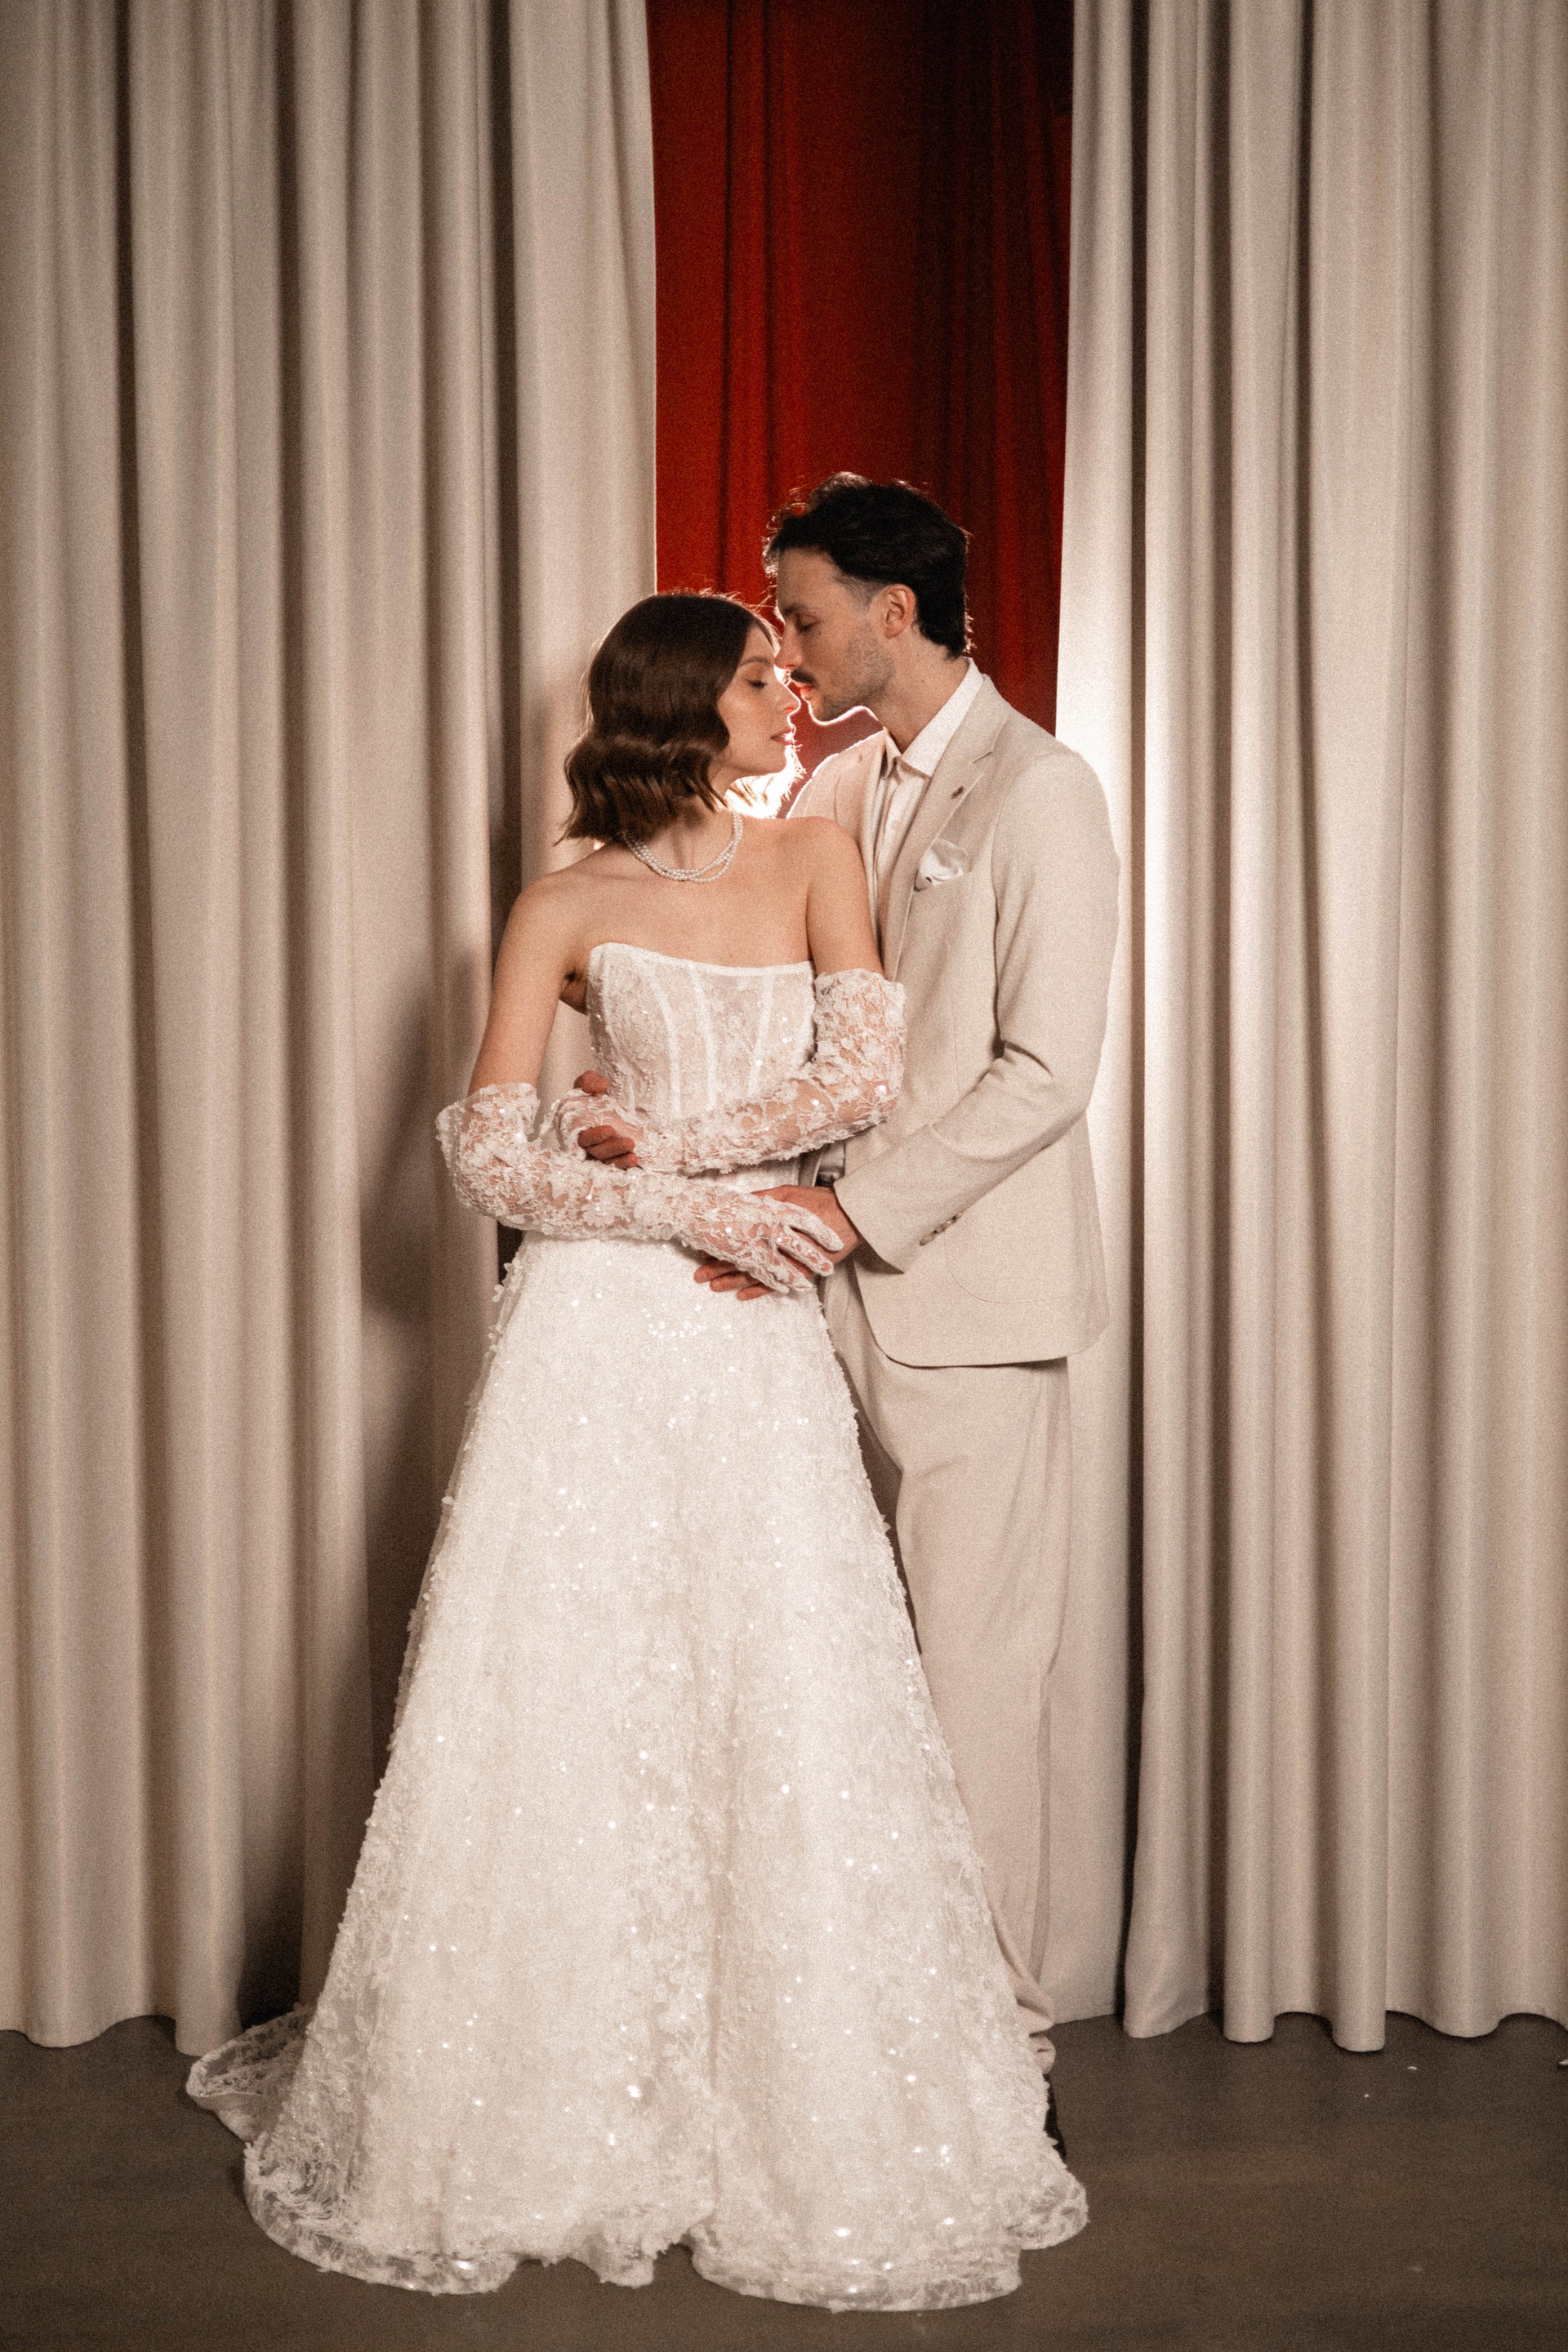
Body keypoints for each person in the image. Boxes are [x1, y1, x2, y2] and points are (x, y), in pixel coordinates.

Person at [186, 590, 1086, 2310]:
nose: (789, 689)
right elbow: (485, 1154)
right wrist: (696, 1206)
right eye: (757, 673)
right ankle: (544, 2102)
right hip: (600, 1332)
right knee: (573, 1686)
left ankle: (787, 2089)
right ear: (681, 702)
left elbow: (861, 1077)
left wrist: (679, 1156)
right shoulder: (563, 901)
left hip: (748, 1332)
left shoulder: (815, 856)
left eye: (786, 662)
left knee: (780, 1678)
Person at [582, 483, 1120, 2155]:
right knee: (815, 1676)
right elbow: (794, 1032)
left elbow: (1046, 1071)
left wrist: (849, 1211)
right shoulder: (822, 788)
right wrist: (659, 1125)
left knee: (973, 1684)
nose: (788, 655)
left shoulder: (1042, 790)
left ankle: (1002, 2057)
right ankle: (834, 2031)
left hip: (967, 1304)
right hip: (795, 1301)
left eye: (802, 618)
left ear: (895, 611)